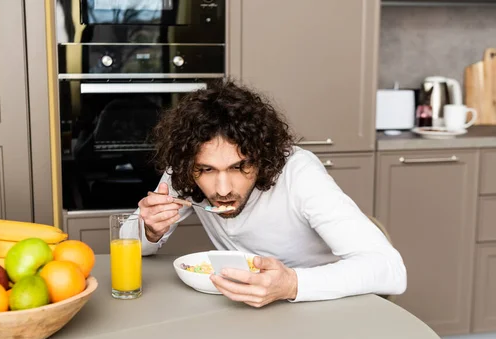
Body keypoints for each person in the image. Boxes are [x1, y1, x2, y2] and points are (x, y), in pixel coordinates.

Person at [135, 80, 407, 307]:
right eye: (206, 170)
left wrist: (291, 284)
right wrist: (149, 231)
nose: (223, 189)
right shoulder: (186, 167)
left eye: (239, 167)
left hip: (327, 305)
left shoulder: (299, 173)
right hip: (248, 310)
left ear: (262, 157)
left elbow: (390, 269)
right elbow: (129, 243)